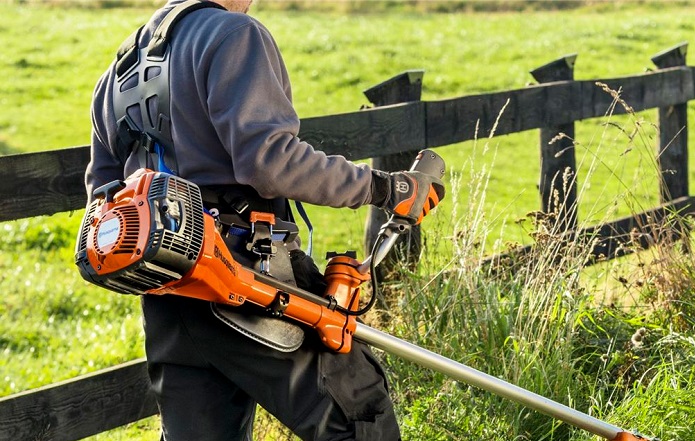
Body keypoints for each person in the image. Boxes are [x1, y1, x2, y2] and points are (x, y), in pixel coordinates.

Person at [85, 0, 445, 440]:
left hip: (167, 303)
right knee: (358, 417)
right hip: (247, 282)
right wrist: (384, 188)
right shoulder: (234, 34)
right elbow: (270, 162)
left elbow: (102, 198)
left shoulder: (116, 75)